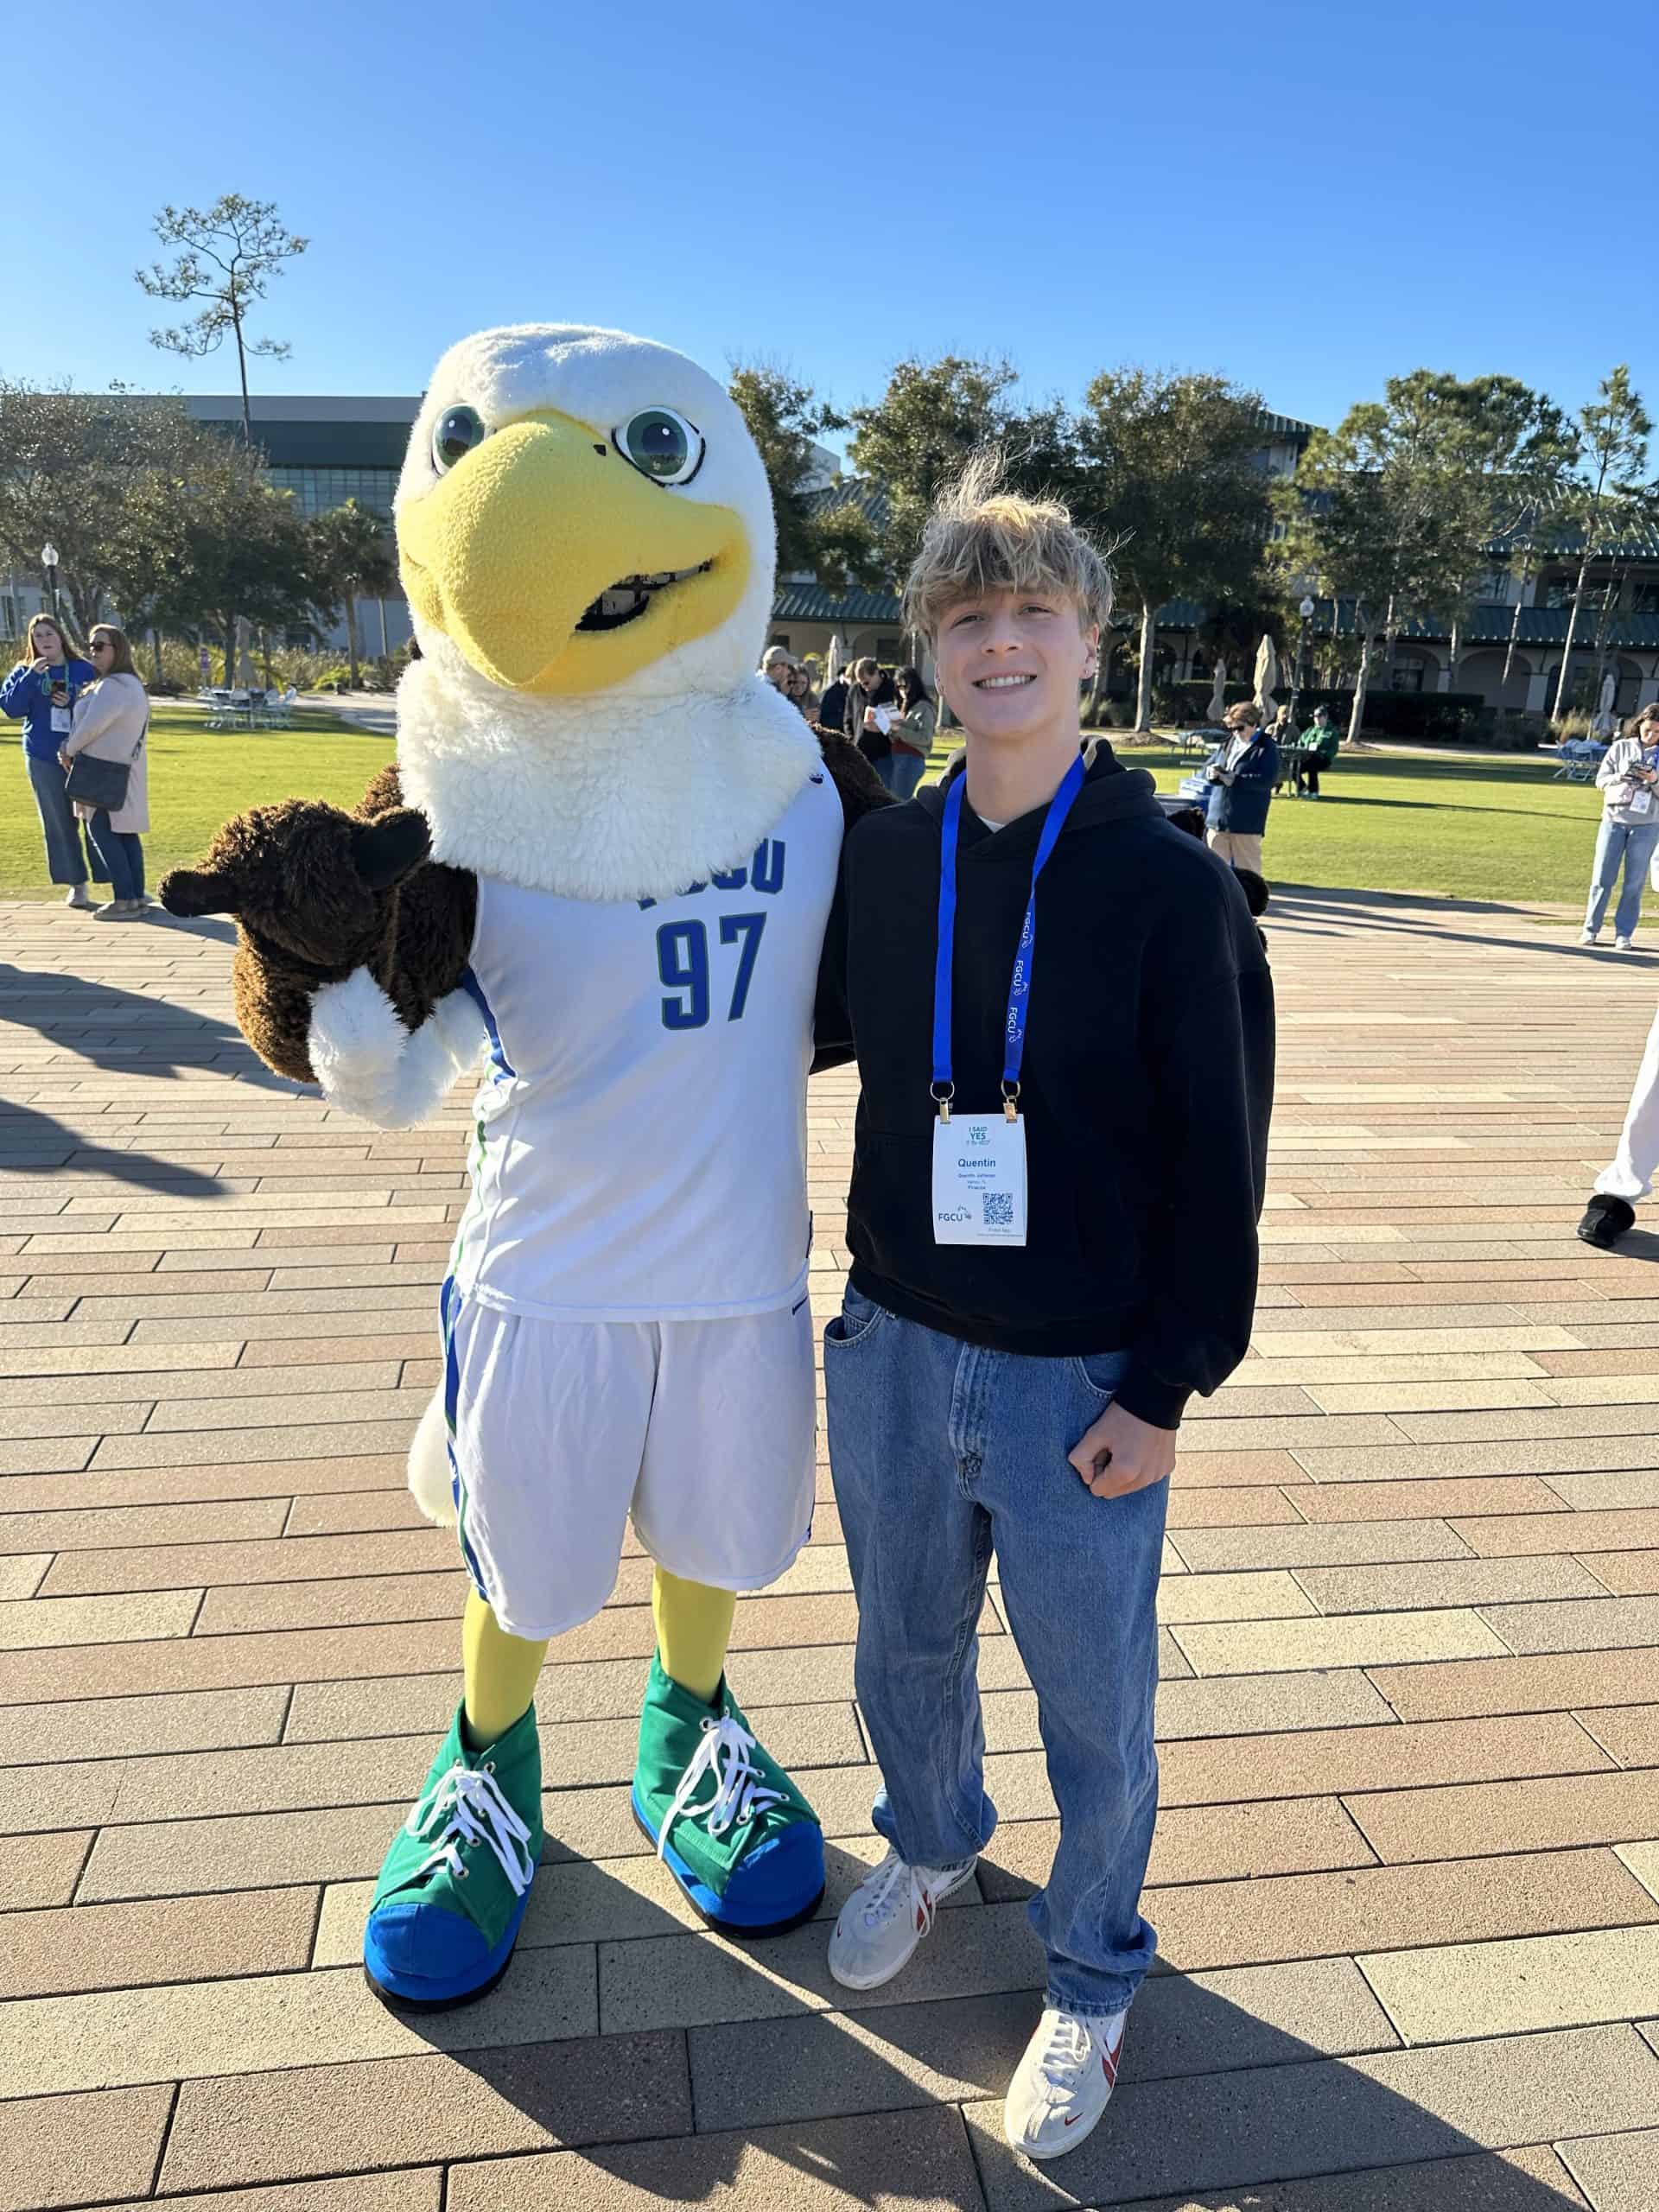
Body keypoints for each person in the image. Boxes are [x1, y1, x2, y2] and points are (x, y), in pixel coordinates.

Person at [814, 454, 1272, 2161]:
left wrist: (1165, 1383)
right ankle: (931, 1843)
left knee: (1097, 1702)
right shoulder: (885, 854)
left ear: (1090, 640)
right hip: (893, 1338)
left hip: (1084, 1367)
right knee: (903, 1646)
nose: (999, 644)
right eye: (966, 616)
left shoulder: (1168, 885)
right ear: (933, 648)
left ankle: (1092, 1967)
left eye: (1033, 613)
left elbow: (1224, 1159)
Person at [1, 613, 102, 907]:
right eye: (38, 636)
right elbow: (11, 708)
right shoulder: (24, 671)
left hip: (85, 755)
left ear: (61, 637)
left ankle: (120, 884)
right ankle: (77, 885)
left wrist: (72, 704)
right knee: (59, 822)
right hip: (43, 757)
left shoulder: (84, 669)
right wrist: (32, 676)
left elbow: (102, 707)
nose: (44, 640)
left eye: (49, 634)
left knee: (97, 819)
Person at [60, 626, 150, 918]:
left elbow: (91, 726)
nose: (93, 651)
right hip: (123, 768)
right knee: (125, 834)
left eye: (100, 646)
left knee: (100, 829)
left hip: (102, 769)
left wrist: (69, 749)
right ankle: (134, 897)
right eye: (91, 645)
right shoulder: (132, 685)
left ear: (118, 649)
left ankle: (124, 899)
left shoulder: (113, 687)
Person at [1581, 704, 1659, 950]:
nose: (1652, 736)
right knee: (1602, 879)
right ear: (1639, 726)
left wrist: (1654, 780)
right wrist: (1621, 776)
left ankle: (1623, 934)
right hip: (1614, 821)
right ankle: (1590, 929)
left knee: (1634, 883)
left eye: (1658, 732)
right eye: (1648, 730)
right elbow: (1600, 780)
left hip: (1646, 825)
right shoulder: (1621, 747)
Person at [1205, 700, 1278, 874]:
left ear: (1253, 724)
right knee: (1214, 873)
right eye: (1231, 728)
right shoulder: (1229, 742)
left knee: (1248, 875)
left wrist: (1236, 780)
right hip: (1218, 819)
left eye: (1239, 728)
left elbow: (1267, 780)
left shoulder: (1266, 747)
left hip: (1246, 821)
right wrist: (1213, 774)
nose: (1235, 733)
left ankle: (1250, 903)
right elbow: (1213, 765)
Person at [847, 656, 899, 788]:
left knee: (885, 793)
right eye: (861, 683)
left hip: (884, 755)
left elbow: (899, 722)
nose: (864, 687)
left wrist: (884, 728)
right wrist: (852, 740)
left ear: (876, 673)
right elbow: (848, 718)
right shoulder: (855, 690)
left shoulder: (892, 689)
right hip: (859, 753)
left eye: (866, 683)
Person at [887, 665, 937, 802]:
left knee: (897, 802)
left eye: (905, 686)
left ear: (913, 685)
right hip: (899, 758)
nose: (902, 691)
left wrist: (899, 730)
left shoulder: (924, 707)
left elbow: (925, 738)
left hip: (911, 759)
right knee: (892, 801)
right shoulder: (905, 705)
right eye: (899, 687)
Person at [1299, 703, 1340, 798]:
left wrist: (1323, 755)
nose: (1316, 719)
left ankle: (1313, 792)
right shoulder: (1310, 730)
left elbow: (1333, 749)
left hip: (1323, 759)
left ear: (1326, 717)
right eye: (1315, 717)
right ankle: (1302, 787)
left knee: (1312, 765)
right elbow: (1300, 742)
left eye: (1319, 716)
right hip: (1306, 757)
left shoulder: (1331, 731)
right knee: (1293, 767)